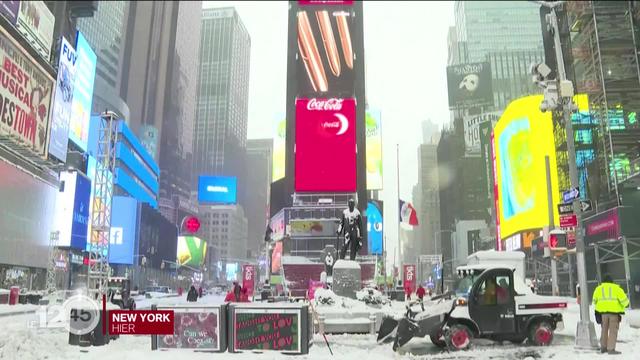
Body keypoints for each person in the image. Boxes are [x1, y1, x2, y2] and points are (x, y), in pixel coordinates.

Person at [593, 275, 630, 355]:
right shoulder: (617, 289)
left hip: (603, 314)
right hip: (614, 313)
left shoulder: (598, 289)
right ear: (612, 281)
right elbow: (625, 302)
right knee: (613, 331)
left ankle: (603, 347)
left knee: (604, 330)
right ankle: (611, 349)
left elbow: (594, 301)